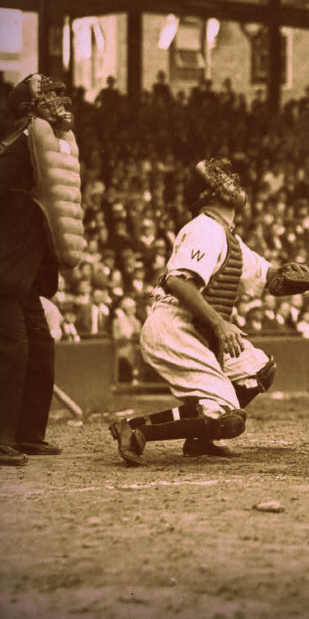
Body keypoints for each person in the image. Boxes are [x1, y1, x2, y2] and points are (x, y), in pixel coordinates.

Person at [108, 158, 286, 465]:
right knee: (229, 418)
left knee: (257, 370)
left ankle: (200, 438)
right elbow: (177, 282)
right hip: (174, 326)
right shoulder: (205, 228)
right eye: (220, 179)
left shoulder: (228, 236)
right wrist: (220, 324)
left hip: (199, 328)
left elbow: (270, 275)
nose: (232, 181)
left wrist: (295, 276)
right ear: (207, 195)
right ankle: (136, 429)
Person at [0, 73, 83, 465]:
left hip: (17, 275)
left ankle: (26, 434)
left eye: (62, 93)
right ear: (28, 110)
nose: (61, 102)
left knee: (40, 344)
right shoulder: (18, 147)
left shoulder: (45, 150)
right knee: (12, 348)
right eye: (50, 96)